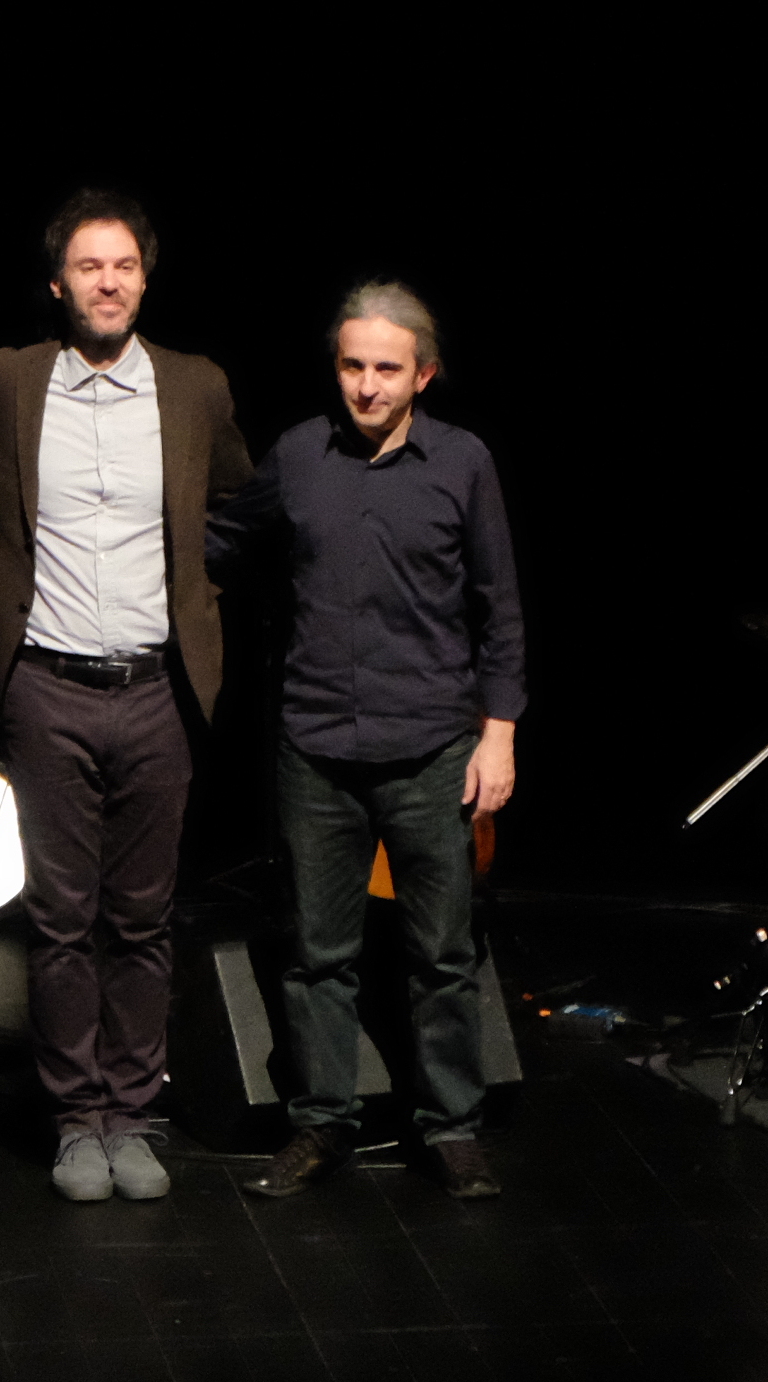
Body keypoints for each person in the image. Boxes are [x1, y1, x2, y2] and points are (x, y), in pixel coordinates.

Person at [0, 190, 253, 1201]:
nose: (109, 281)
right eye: (89, 266)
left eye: (124, 265)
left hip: (156, 687)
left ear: (145, 277)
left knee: (141, 918)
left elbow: (237, 501)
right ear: (58, 282)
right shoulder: (8, 381)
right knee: (60, 919)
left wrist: (194, 588)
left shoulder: (193, 386)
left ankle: (133, 1113)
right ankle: (75, 1119)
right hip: (46, 685)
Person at [207, 281, 524, 1199]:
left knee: (443, 955)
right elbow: (223, 540)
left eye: (387, 368)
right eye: (353, 366)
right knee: (318, 955)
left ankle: (451, 1128)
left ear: (423, 374)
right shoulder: (300, 454)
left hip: (431, 748)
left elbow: (500, 609)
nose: (367, 385)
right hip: (316, 747)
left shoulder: (462, 462)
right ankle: (322, 1124)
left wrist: (498, 736)